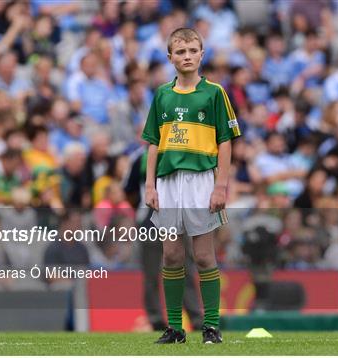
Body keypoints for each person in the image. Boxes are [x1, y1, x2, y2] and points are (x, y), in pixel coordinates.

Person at [141, 28, 241, 344]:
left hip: (201, 180)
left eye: (192, 51)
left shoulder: (214, 93)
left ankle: (211, 325)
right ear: (170, 57)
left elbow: (225, 142)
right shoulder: (162, 95)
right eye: (180, 52)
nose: (187, 56)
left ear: (201, 54)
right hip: (168, 182)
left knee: (203, 256)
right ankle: (174, 328)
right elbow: (153, 143)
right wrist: (150, 185)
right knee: (170, 255)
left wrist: (220, 186)